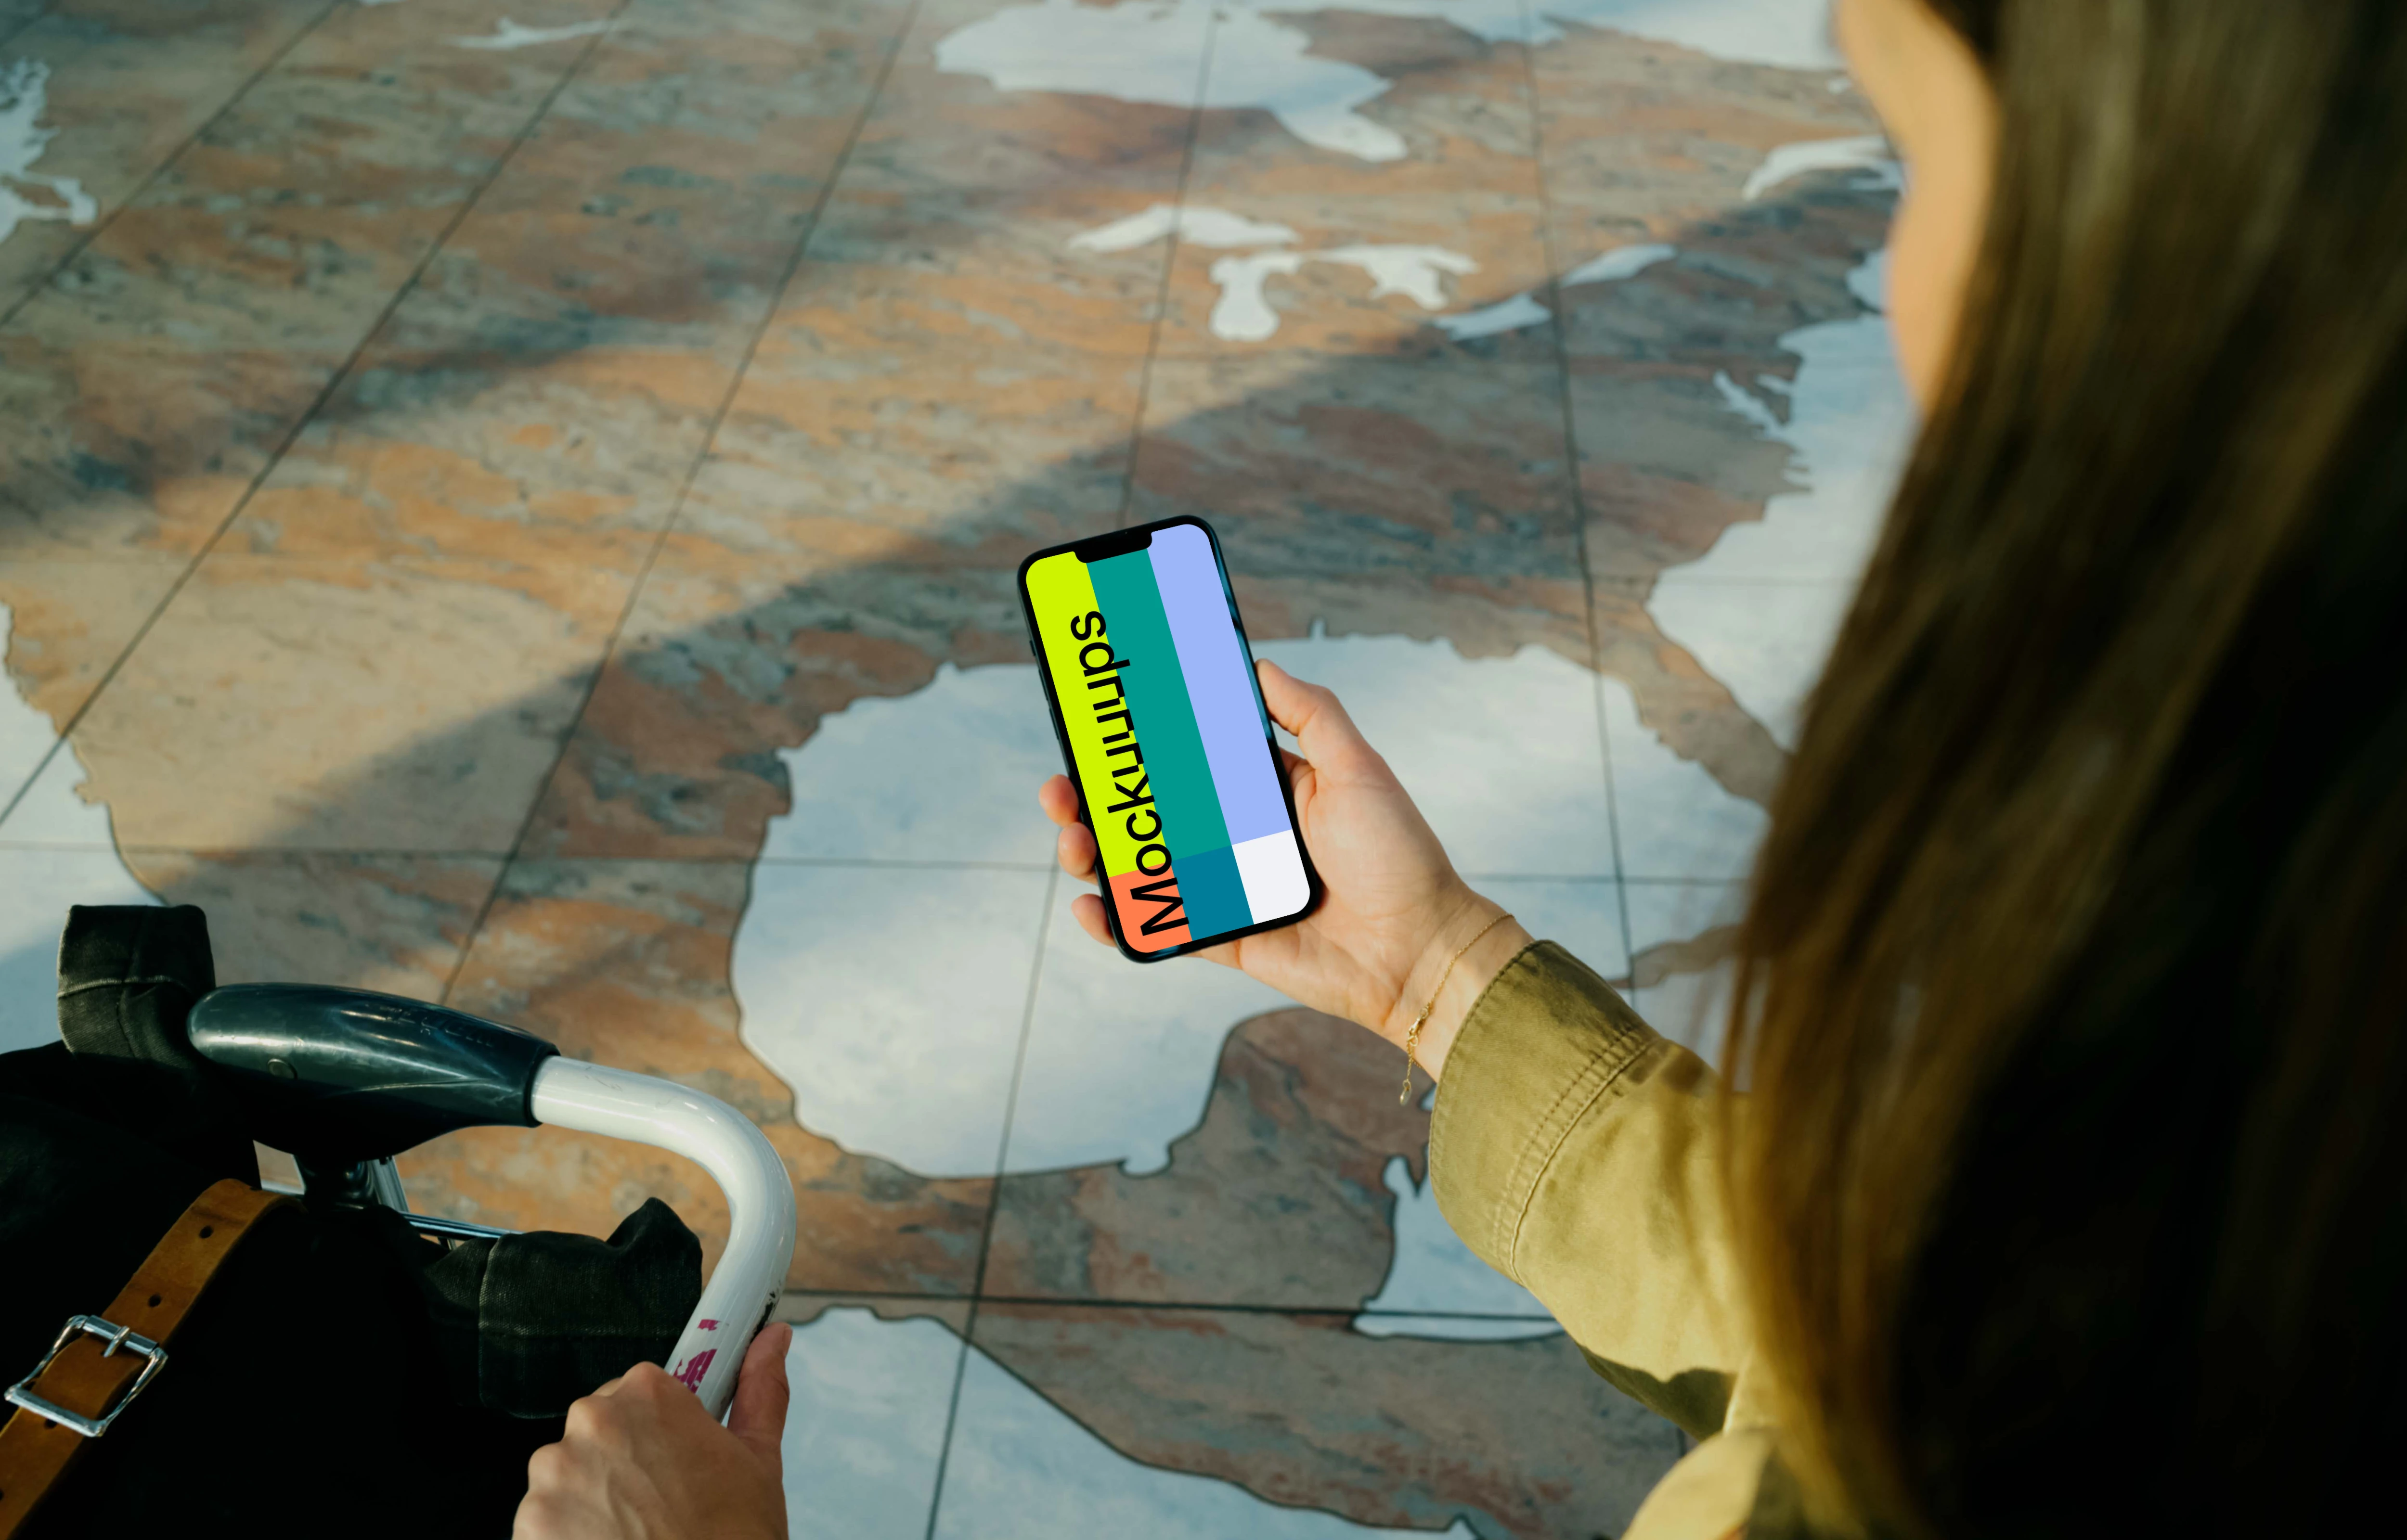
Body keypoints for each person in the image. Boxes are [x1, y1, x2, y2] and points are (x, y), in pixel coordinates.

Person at [518, 0, 2407, 1533]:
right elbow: (1915, 1302)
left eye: (1915, 156)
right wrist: (1426, 974)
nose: (1905, 296)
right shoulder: (2268, 1057)